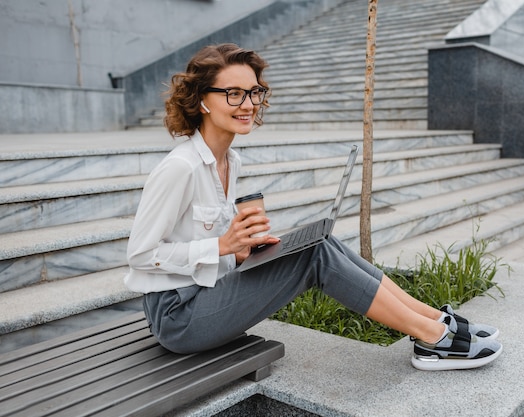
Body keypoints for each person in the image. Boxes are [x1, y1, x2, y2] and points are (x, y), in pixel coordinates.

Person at [124, 43, 503, 371]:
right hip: (178, 317)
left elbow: (207, 249)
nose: (248, 105)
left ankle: (435, 319)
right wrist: (221, 246)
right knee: (314, 258)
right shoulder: (180, 168)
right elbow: (140, 254)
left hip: (207, 294)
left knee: (318, 243)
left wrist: (241, 252)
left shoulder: (230, 161)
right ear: (203, 99)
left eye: (254, 92)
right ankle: (435, 339)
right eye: (233, 94)